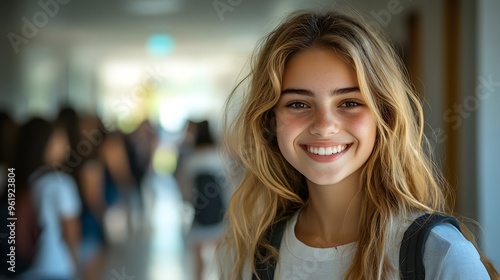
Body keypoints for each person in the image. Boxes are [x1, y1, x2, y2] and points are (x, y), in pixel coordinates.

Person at [219, 10, 499, 280]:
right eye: (298, 104)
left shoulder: (440, 255)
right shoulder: (251, 255)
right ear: (270, 120)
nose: (324, 125)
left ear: (385, 116)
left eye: (350, 103)